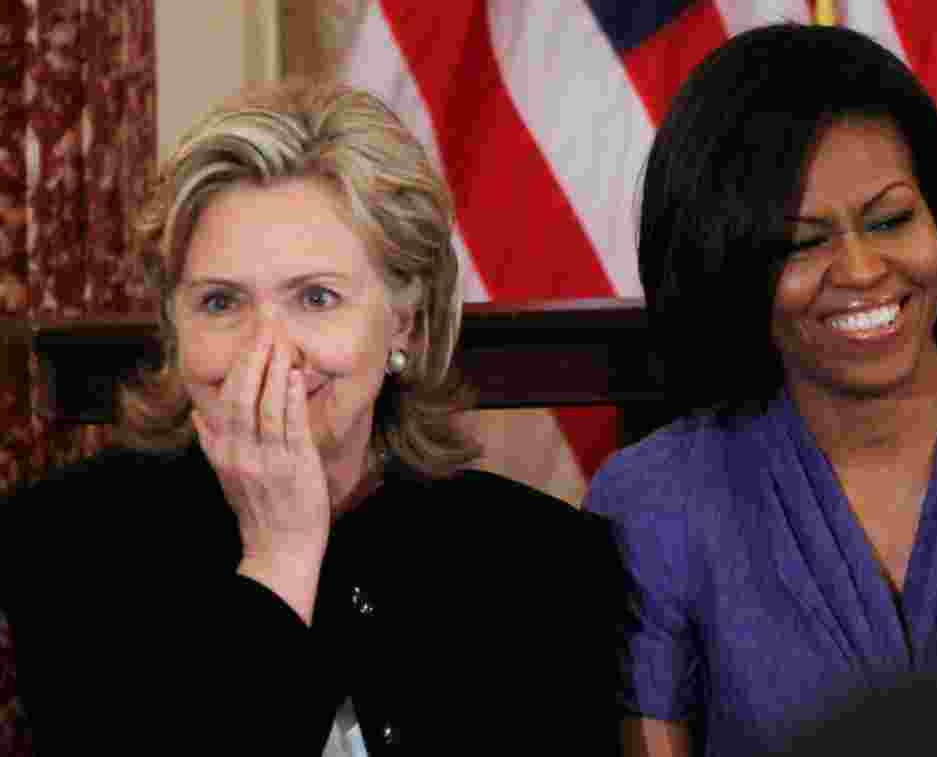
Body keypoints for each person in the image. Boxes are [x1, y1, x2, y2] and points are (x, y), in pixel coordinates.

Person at [2, 79, 622, 756]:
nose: (269, 348)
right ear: (174, 327)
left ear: (404, 326)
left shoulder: (548, 566)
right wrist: (279, 558)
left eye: (317, 297)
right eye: (220, 303)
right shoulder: (62, 542)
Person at [584, 22, 937, 757]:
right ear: (724, 263)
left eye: (890, 220)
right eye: (802, 241)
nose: (860, 269)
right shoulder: (657, 503)